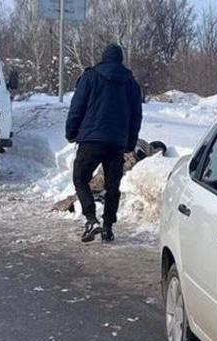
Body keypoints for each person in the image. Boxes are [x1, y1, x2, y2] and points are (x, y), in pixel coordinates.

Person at [65, 44, 143, 243]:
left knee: (80, 178)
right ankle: (108, 226)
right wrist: (130, 143)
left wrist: (71, 132)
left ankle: (91, 219)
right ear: (120, 59)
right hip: (116, 142)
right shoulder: (131, 83)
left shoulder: (90, 76)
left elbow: (77, 107)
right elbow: (136, 116)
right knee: (112, 185)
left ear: (103, 58)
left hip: (91, 139)